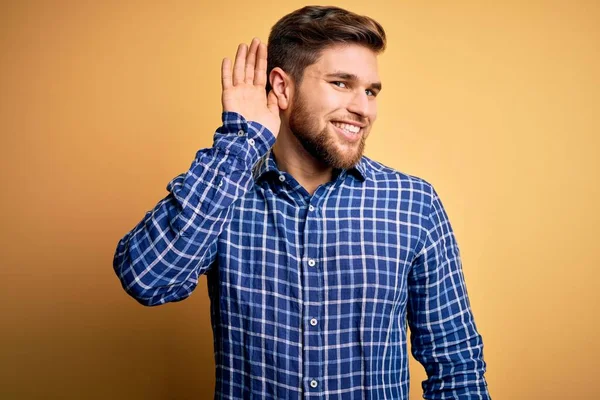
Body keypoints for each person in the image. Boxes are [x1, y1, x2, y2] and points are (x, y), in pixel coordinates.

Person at [113, 5, 490, 399]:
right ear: (282, 88)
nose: (363, 108)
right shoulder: (224, 191)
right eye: (342, 83)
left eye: (370, 91)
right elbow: (147, 280)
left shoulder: (412, 203)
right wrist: (240, 142)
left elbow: (455, 362)